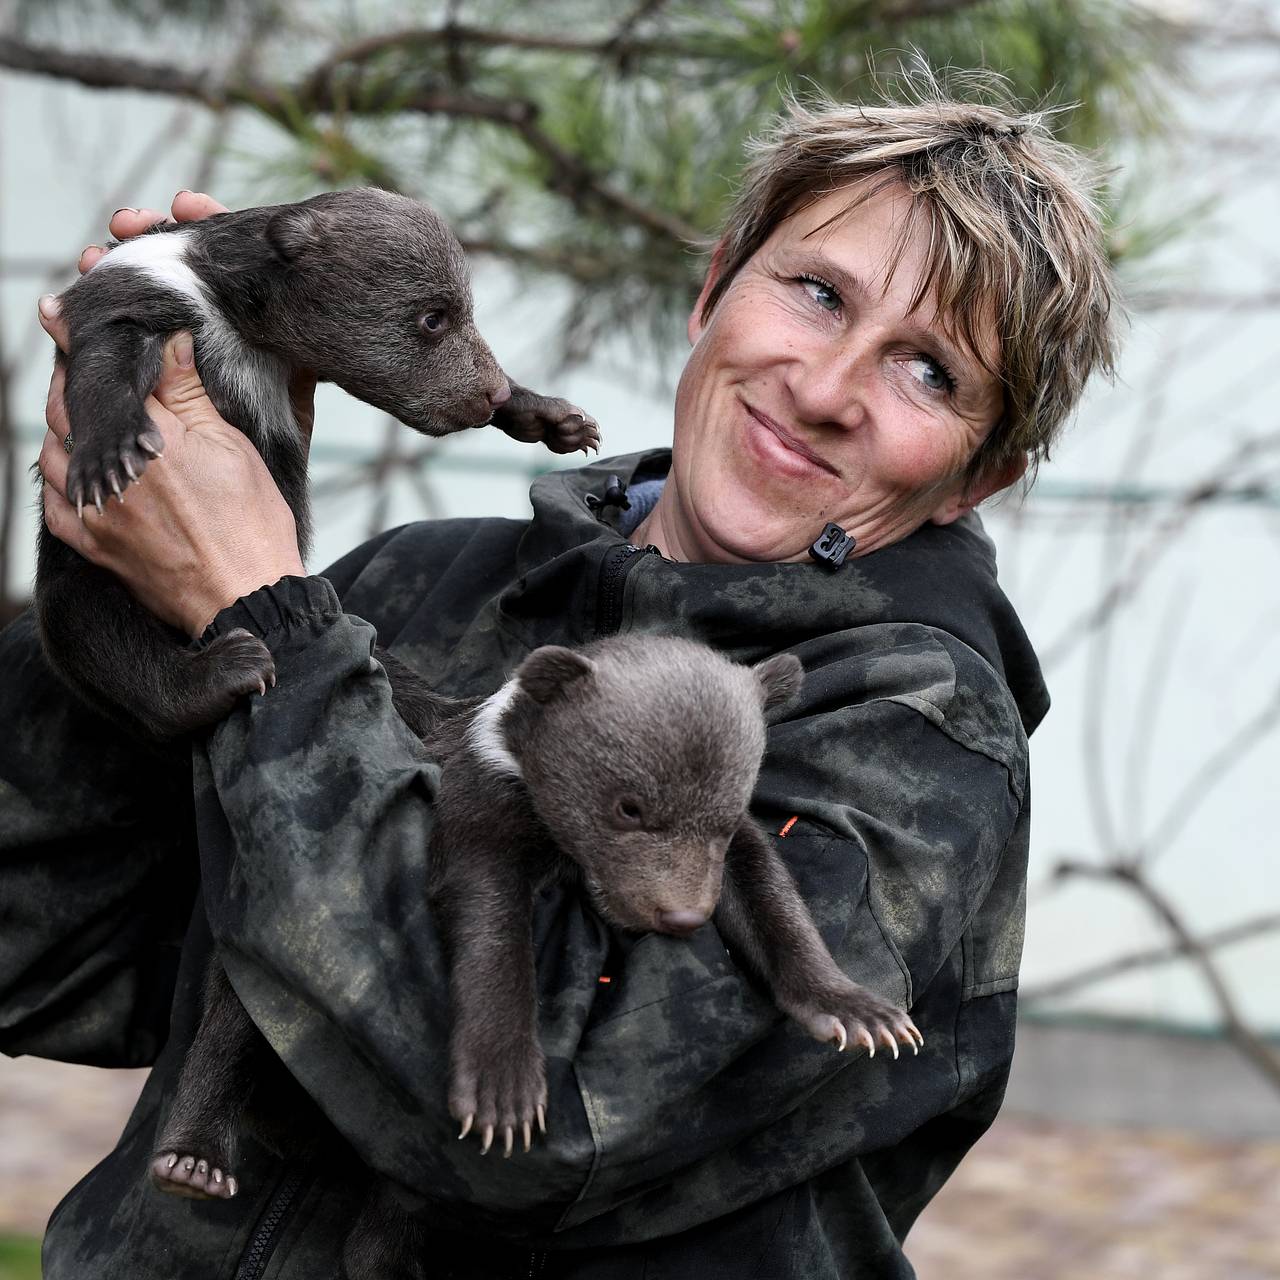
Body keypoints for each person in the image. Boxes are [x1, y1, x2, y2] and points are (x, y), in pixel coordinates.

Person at [0, 87, 1118, 1279]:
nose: (827, 385)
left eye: (928, 372)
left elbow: (530, 1134)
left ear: (971, 481)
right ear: (711, 292)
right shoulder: (417, 583)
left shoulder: (906, 738)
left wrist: (257, 599)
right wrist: (139, 549)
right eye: (816, 291)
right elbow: (45, 953)